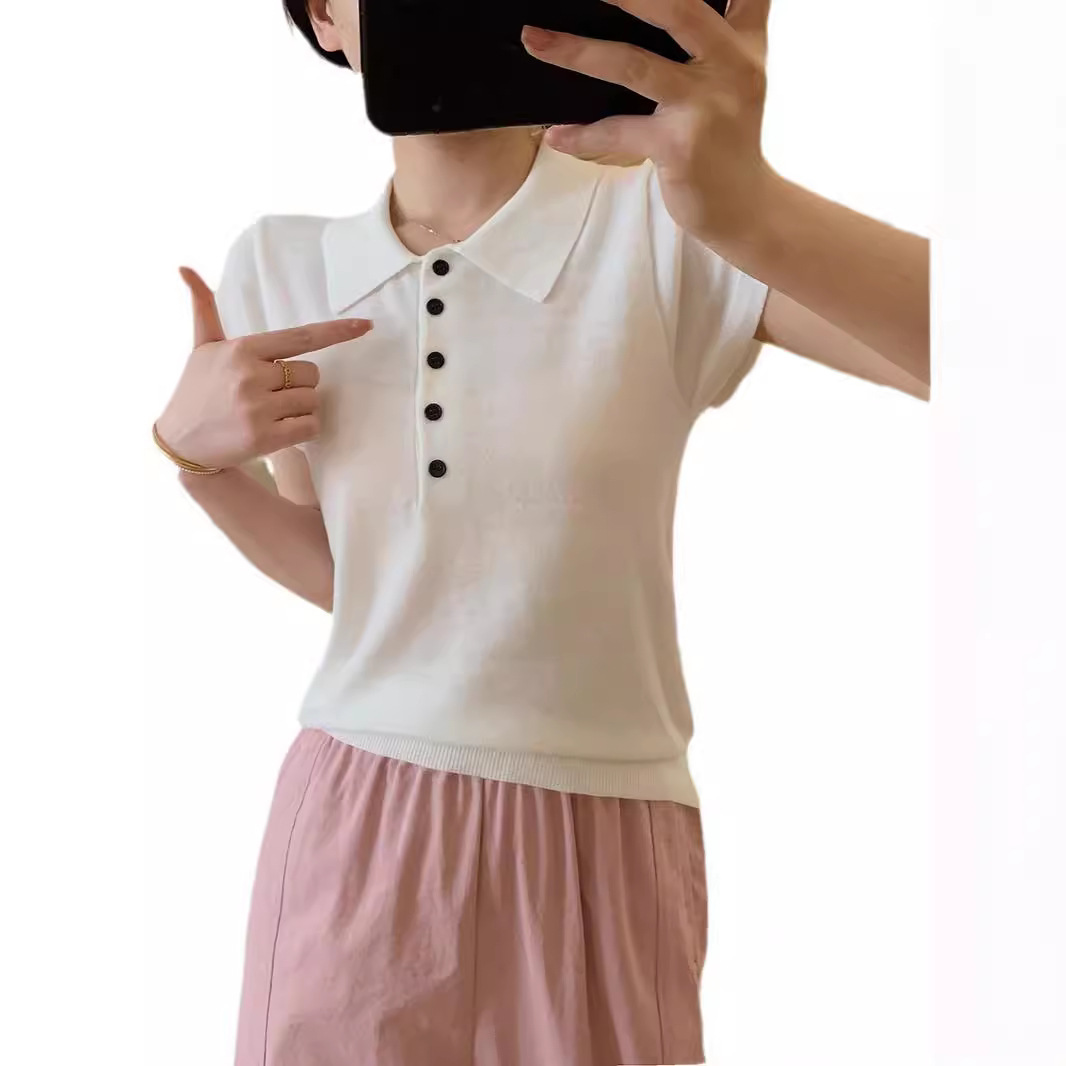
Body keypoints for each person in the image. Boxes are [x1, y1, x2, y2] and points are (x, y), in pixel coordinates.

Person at [152, 1, 930, 1063]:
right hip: (359, 822)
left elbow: (1003, 353)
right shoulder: (281, 264)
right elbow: (357, 578)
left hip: (604, 825)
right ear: (326, 17)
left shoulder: (670, 220)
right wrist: (194, 460)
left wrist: (754, 207)